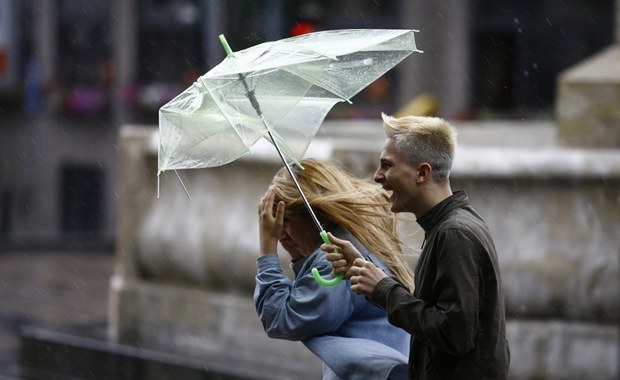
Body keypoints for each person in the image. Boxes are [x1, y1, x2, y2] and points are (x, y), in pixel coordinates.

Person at [323, 114, 510, 379]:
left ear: (422, 173)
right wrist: (366, 274)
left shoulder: (454, 233)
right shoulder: (451, 226)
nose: (377, 177)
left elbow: (454, 334)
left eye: (387, 166)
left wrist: (384, 290)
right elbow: (441, 319)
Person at [254, 158, 415, 380]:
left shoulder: (335, 256)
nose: (281, 233)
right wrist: (299, 254)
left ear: (313, 213)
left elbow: (280, 319)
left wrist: (267, 248)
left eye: (286, 222)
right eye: (278, 226)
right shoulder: (359, 237)